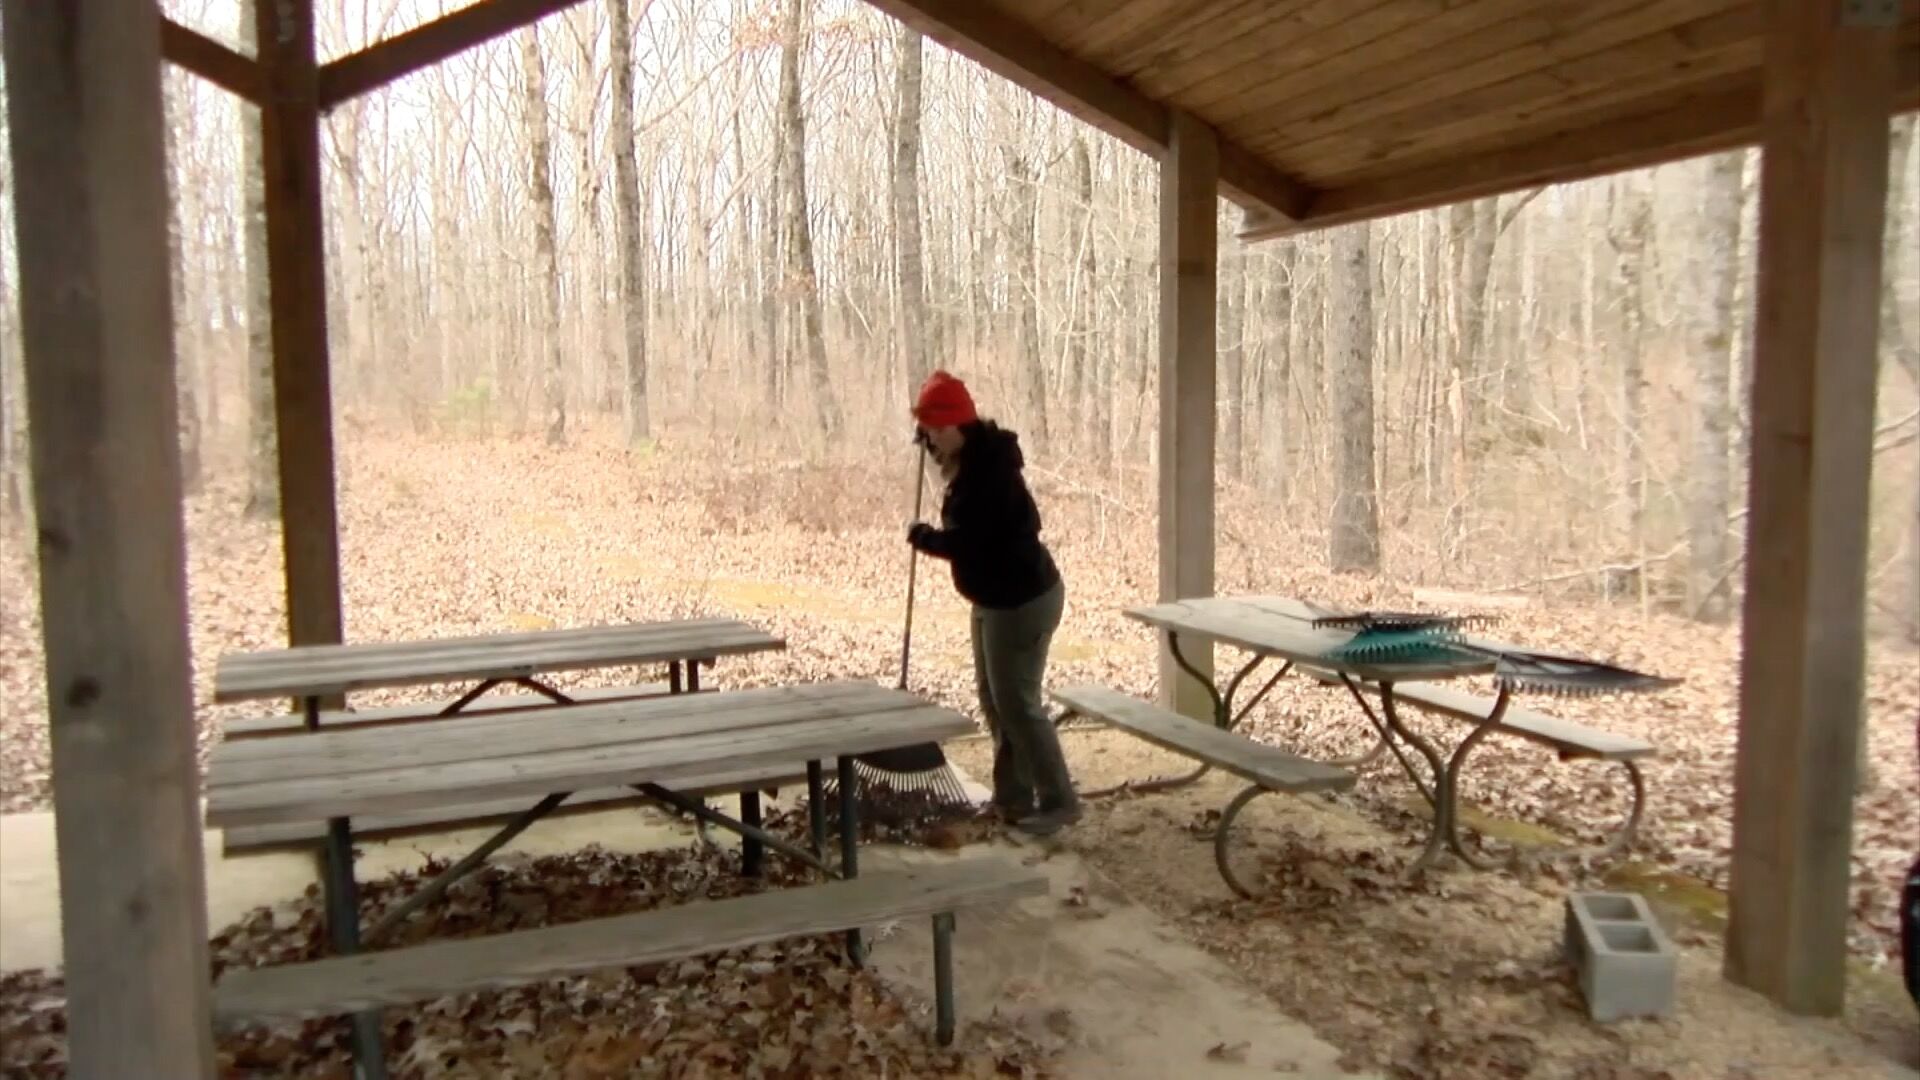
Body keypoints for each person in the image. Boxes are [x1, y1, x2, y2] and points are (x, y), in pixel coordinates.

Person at [906, 370, 1080, 836]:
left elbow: (972, 542)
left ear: (959, 425)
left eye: (937, 432)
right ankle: (1013, 799)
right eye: (927, 435)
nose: (933, 443)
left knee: (1019, 705)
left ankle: (1059, 800)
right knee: (995, 702)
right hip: (991, 598)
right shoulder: (971, 461)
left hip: (1022, 600)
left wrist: (924, 537)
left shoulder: (991, 474)